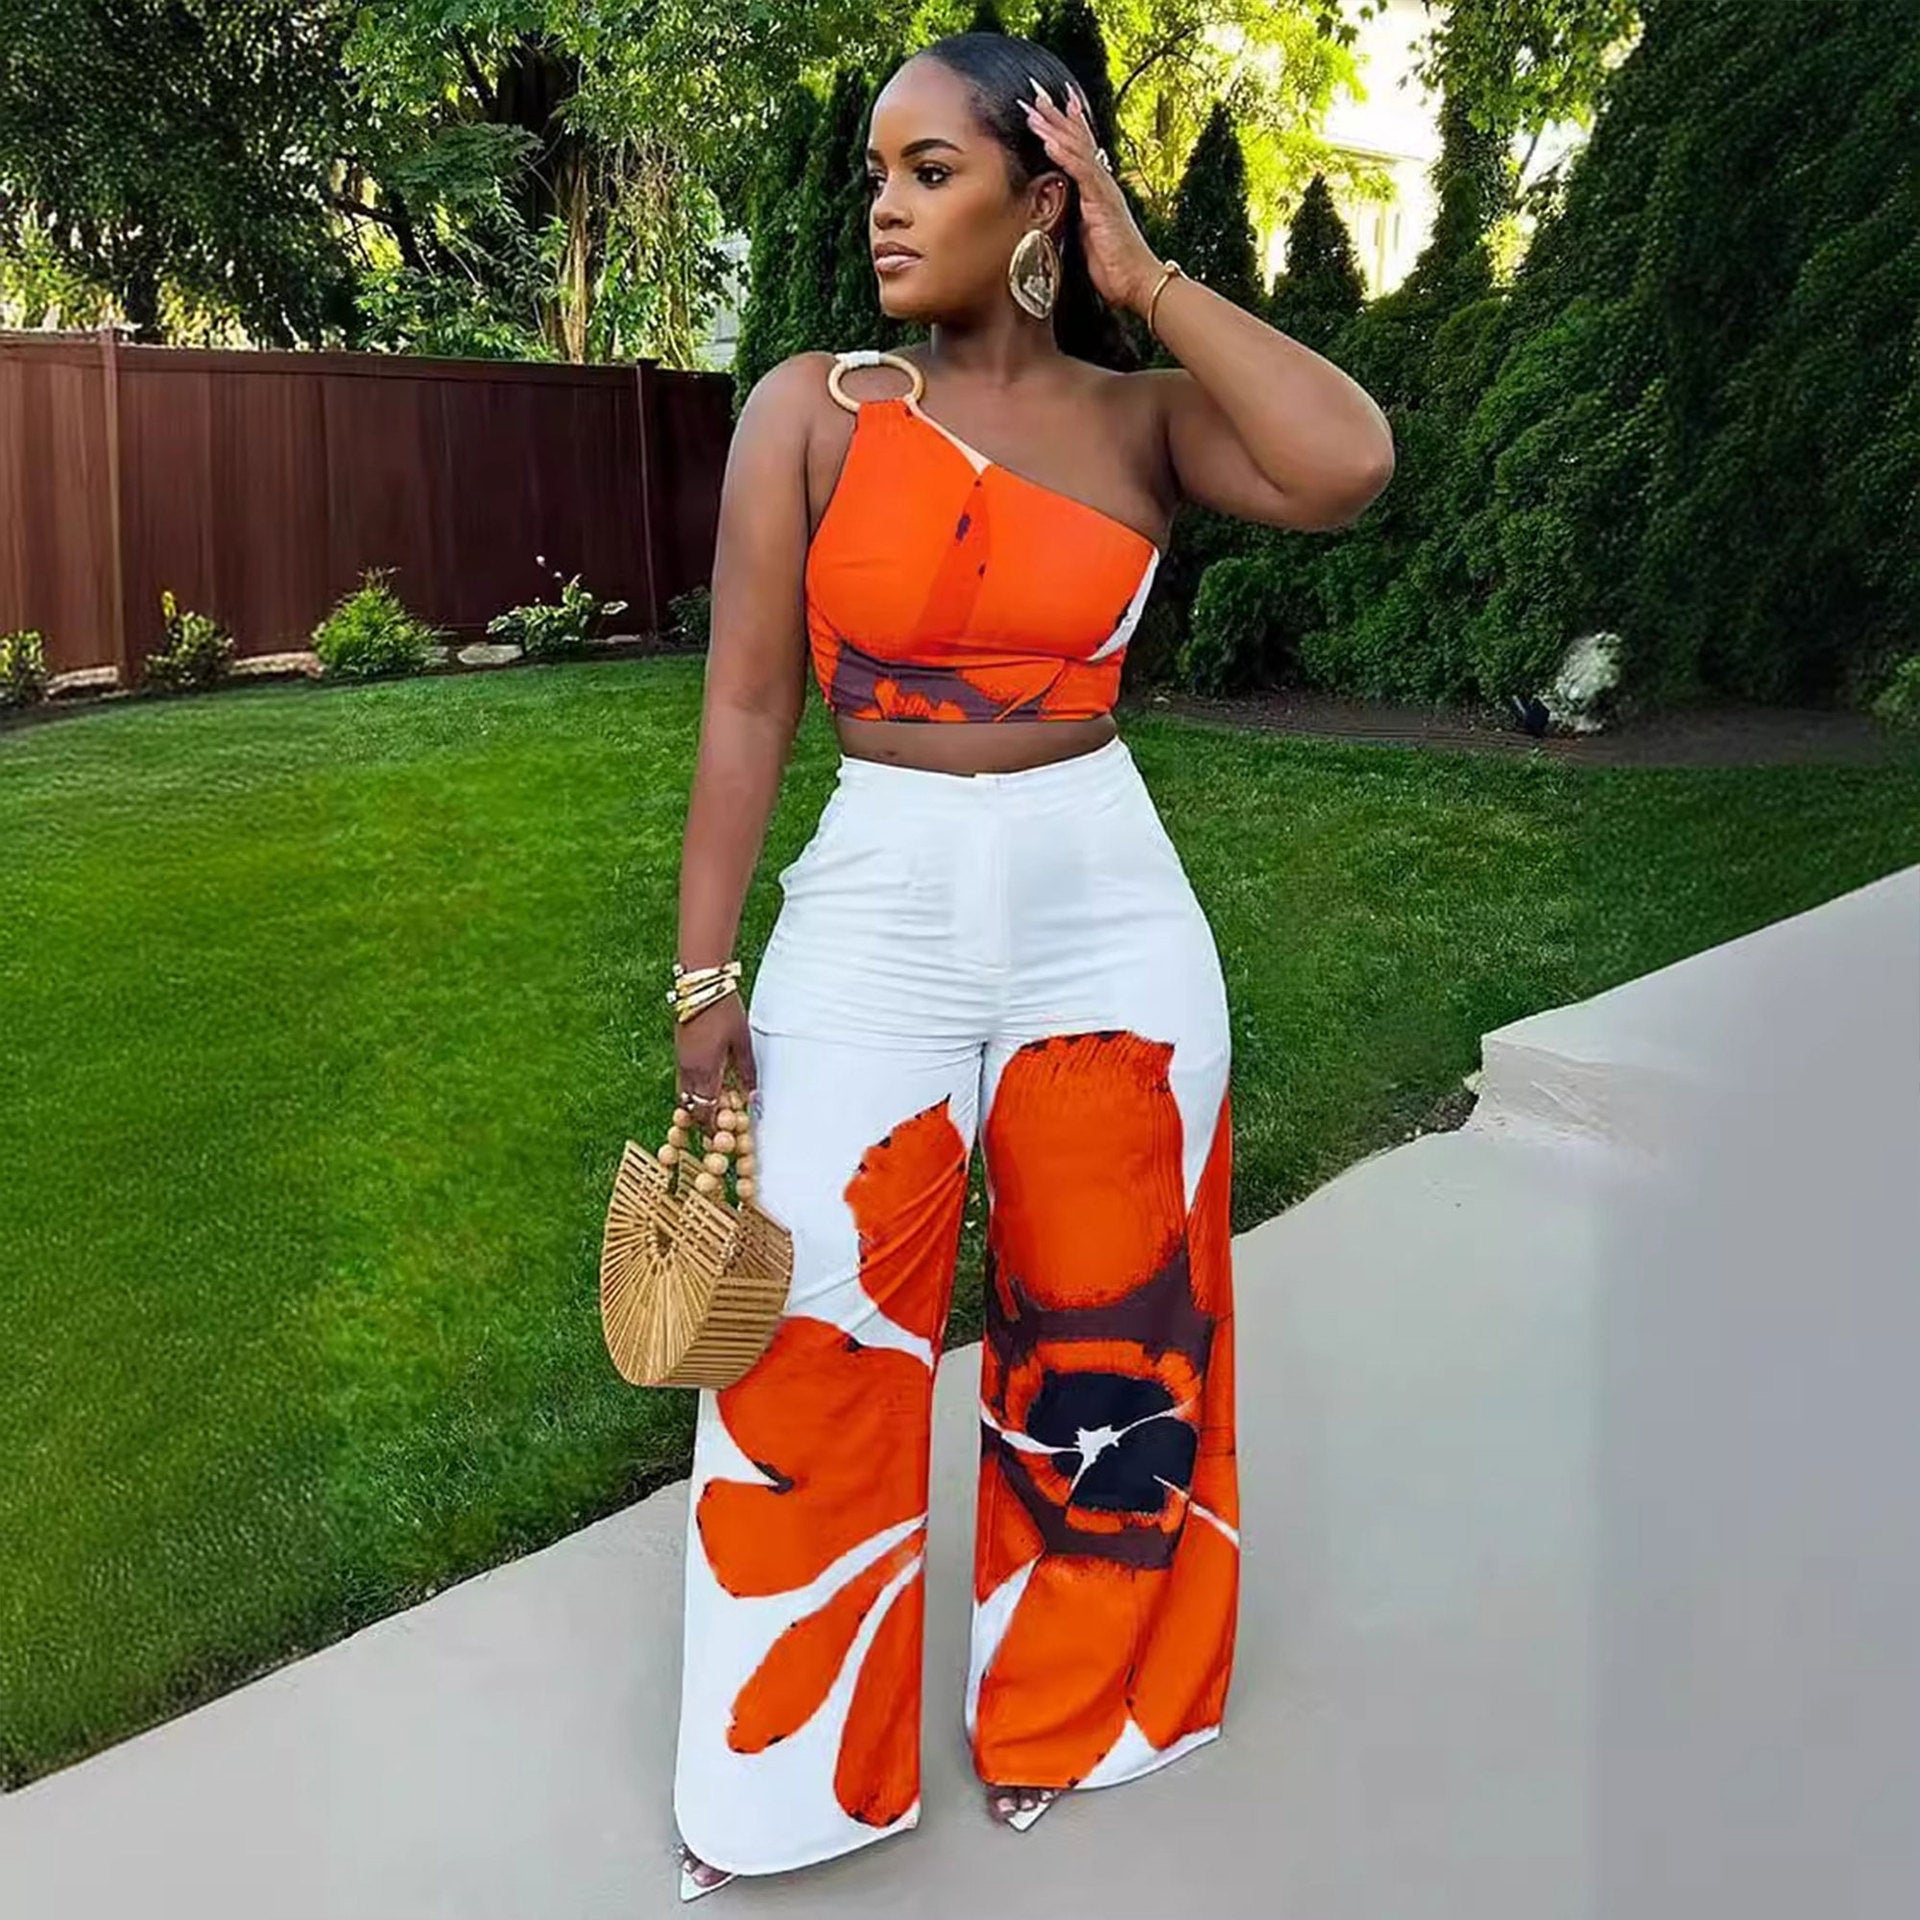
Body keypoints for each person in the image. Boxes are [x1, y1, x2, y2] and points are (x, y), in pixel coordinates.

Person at [665, 29, 1394, 1901]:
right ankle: (785, 1783)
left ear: (1041, 201)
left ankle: (1074, 1714)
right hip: (875, 905)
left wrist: (1152, 282)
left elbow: (1347, 462)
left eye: (933, 172)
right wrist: (702, 975)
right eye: (879, 173)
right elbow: (745, 705)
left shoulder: (1141, 420)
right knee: (811, 1338)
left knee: (1111, 1337)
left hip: (1106, 913)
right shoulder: (812, 409)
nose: (884, 207)